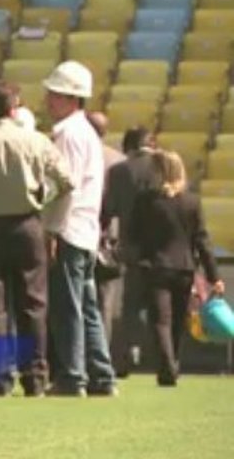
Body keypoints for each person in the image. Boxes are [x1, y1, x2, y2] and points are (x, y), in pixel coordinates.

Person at [0, 81, 72, 397]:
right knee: (33, 304)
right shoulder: (37, 141)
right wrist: (42, 195)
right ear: (13, 108)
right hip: (28, 225)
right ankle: (35, 376)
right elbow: (66, 181)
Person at [42, 61, 116, 398]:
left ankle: (72, 376)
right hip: (85, 230)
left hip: (69, 228)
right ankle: (101, 375)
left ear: (72, 99)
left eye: (55, 95)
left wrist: (52, 230)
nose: (48, 100)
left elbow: (63, 187)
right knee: (87, 308)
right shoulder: (84, 132)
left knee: (68, 307)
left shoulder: (69, 135)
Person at [130, 151, 225, 387]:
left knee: (160, 320)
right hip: (184, 268)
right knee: (177, 320)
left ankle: (167, 366)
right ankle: (173, 364)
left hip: (155, 267)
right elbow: (202, 240)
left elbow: (133, 234)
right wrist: (215, 276)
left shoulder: (145, 200)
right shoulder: (191, 201)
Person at [99, 126, 158, 377]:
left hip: (131, 247)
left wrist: (102, 234)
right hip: (164, 246)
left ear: (128, 147)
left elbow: (109, 209)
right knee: (163, 307)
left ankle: (124, 358)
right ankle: (167, 358)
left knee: (130, 306)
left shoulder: (119, 171)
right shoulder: (166, 166)